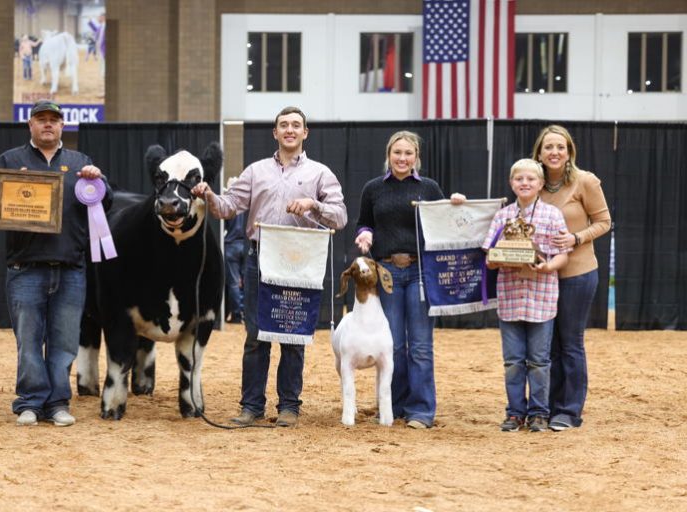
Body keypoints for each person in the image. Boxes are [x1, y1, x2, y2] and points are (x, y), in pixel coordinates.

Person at [192, 106, 347, 428]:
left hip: (297, 261)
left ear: (305, 133)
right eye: (283, 125)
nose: (289, 130)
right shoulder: (256, 171)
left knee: (293, 335)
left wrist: (313, 205)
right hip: (259, 258)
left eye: (296, 125)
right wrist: (208, 194)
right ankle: (251, 406)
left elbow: (340, 217)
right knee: (255, 336)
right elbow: (228, 208)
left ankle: (289, 406)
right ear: (275, 133)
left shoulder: (320, 173)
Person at [0, 100, 113, 427]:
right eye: (41, 120)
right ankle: (30, 402)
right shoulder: (10, 160)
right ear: (31, 126)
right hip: (25, 268)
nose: (48, 125)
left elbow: (107, 202)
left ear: (63, 126)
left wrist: (100, 181)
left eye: (54, 120)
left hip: (70, 269)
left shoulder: (81, 163)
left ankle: (57, 403)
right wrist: (9, 184)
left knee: (64, 342)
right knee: (28, 340)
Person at [353, 130, 465, 429]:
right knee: (392, 345)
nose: (402, 158)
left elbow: (446, 221)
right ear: (388, 155)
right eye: (397, 153)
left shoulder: (428, 188)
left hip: (419, 272)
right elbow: (364, 221)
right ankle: (394, 405)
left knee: (420, 345)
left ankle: (421, 410)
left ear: (416, 157)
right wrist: (364, 234)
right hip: (386, 273)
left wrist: (455, 203)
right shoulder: (373, 188)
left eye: (408, 153)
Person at [533, 125, 612, 431]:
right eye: (548, 147)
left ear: (569, 152)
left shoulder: (585, 181)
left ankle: (569, 410)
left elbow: (604, 221)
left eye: (560, 147)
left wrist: (576, 238)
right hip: (541, 277)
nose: (554, 152)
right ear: (539, 153)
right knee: (546, 345)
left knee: (570, 343)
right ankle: (547, 407)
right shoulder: (533, 183)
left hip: (577, 274)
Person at [483, 158, 571, 432]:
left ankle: (539, 413)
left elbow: (562, 256)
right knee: (512, 362)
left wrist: (547, 266)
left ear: (541, 184)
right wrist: (496, 260)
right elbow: (489, 256)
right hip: (510, 299)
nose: (525, 183)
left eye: (531, 179)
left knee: (539, 361)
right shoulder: (502, 216)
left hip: (542, 298)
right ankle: (514, 413)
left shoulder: (553, 215)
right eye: (519, 179)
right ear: (512, 183)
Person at [223, 178, 246, 324]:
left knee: (233, 283)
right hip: (245, 244)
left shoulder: (229, 204)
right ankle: (245, 312)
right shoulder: (246, 204)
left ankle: (237, 314)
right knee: (245, 281)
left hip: (231, 245)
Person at [88, 13, 106, 78]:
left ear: (104, 17)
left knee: (104, 61)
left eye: (99, 17)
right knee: (101, 61)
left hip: (104, 47)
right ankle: (102, 74)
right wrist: (90, 22)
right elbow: (95, 29)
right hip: (100, 47)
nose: (98, 18)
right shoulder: (101, 26)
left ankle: (104, 74)